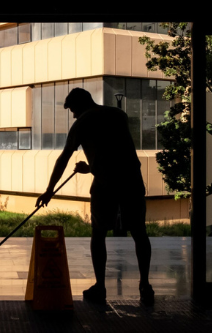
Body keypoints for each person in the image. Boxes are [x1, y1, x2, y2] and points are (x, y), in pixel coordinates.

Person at [36, 88, 154, 305]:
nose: (73, 115)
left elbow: (64, 158)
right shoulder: (119, 115)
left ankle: (100, 287)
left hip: (105, 185)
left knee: (98, 234)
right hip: (131, 180)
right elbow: (116, 153)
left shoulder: (82, 123)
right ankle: (145, 284)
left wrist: (50, 190)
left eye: (72, 110)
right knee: (139, 232)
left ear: (79, 105)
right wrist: (90, 167)